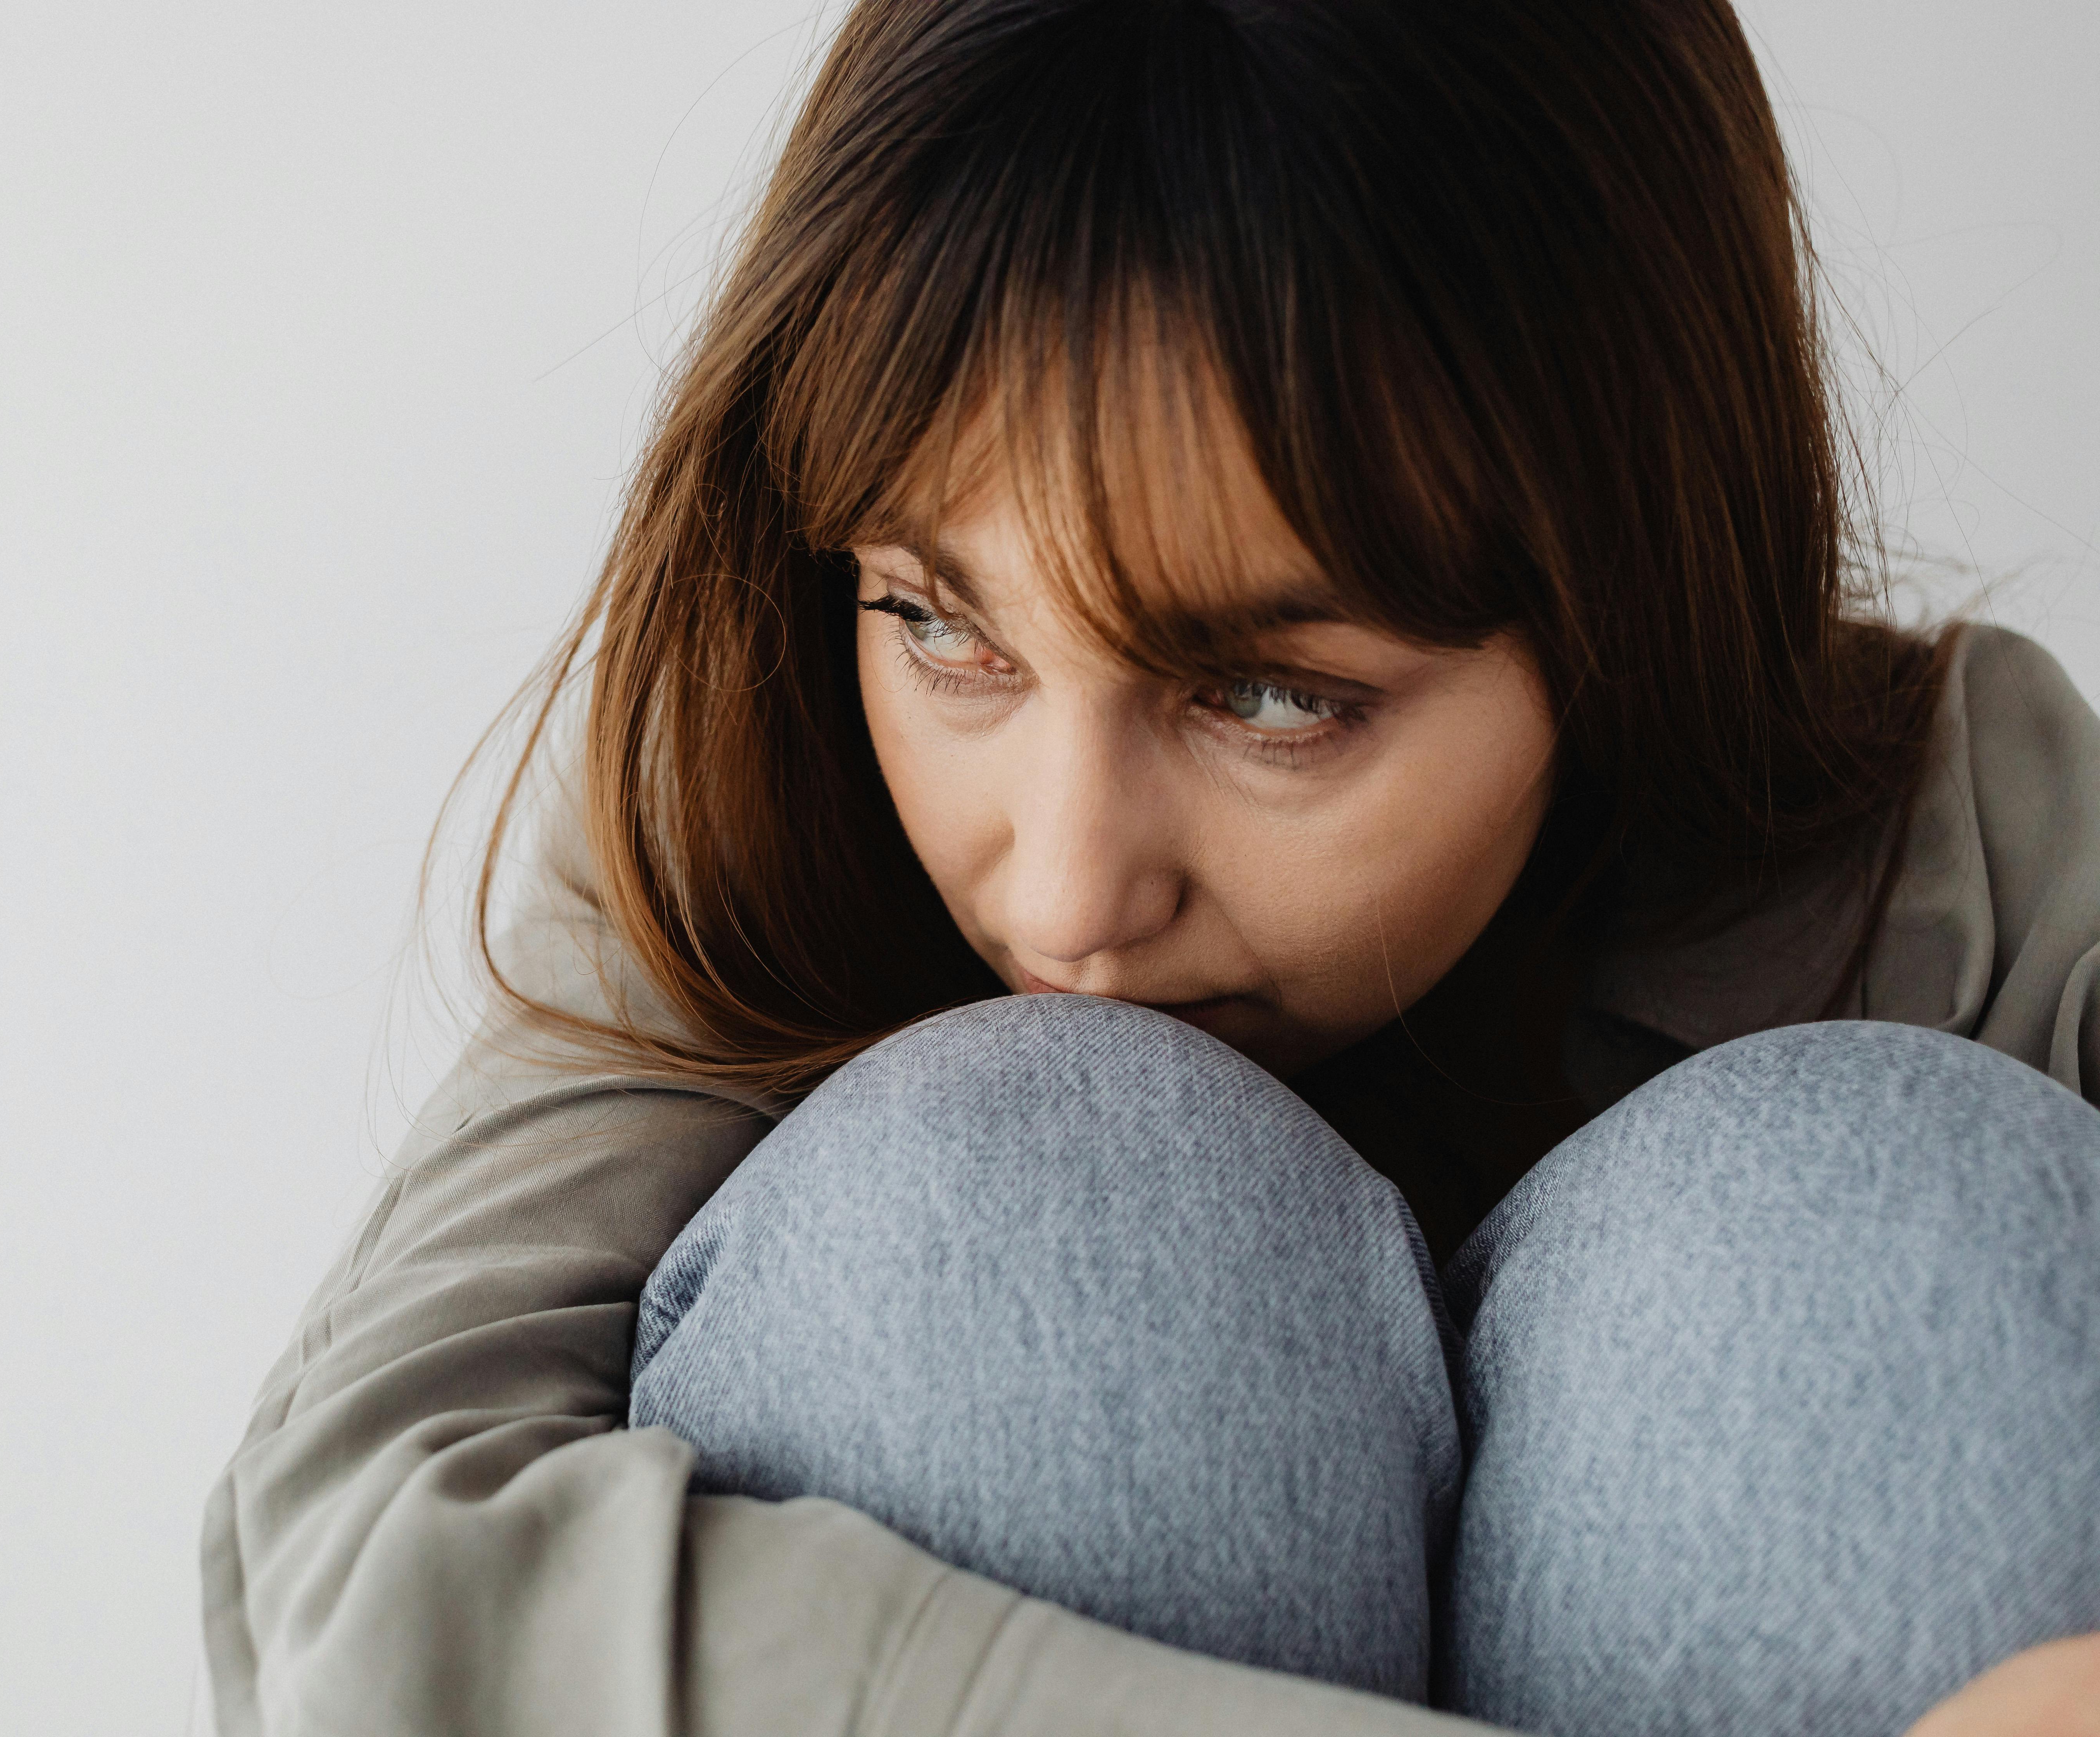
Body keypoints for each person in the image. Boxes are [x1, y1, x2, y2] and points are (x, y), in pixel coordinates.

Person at [201, 2, 2100, 1732]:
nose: (1063, 896)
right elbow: (370, 1589)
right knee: (1034, 1195)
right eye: (945, 629)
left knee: (1856, 1211)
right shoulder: (752, 787)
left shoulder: (1960, 846)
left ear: (1629, 602)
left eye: (1271, 695)